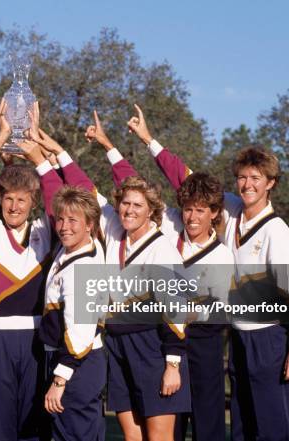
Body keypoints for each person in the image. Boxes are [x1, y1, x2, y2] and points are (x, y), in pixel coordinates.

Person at [132, 104, 289, 441]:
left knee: (273, 427)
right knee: (242, 426)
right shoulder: (230, 210)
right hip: (239, 339)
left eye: (256, 178)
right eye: (242, 177)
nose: (247, 184)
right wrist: (149, 140)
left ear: (270, 183)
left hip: (269, 337)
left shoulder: (278, 232)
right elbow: (188, 180)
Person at [36, 117, 190, 441]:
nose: (129, 210)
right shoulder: (114, 228)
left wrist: (173, 363)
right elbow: (87, 190)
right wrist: (60, 153)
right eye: (125, 203)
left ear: (152, 210)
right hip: (115, 345)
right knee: (131, 436)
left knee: (158, 437)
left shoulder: (163, 249)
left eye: (138, 205)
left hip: (153, 345)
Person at [122, 106, 235, 441]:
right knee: (167, 425)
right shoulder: (170, 229)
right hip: (166, 343)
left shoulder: (222, 255)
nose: (192, 217)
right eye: (188, 209)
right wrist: (145, 140)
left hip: (203, 345)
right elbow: (137, 194)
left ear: (215, 213)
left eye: (201, 210)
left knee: (207, 424)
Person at [0, 100, 56, 441]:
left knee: (33, 429)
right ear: (0, 201)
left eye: (22, 200)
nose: (14, 206)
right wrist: (2, 133)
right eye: (8, 199)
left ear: (31, 202)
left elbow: (56, 195)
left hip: (35, 340)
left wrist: (37, 154)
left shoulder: (45, 230)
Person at [39, 183, 106, 441]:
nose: (64, 226)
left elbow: (80, 332)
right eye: (61, 219)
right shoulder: (79, 249)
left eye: (73, 220)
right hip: (74, 360)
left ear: (90, 225)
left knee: (72, 433)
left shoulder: (82, 268)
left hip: (77, 362)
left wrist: (60, 380)